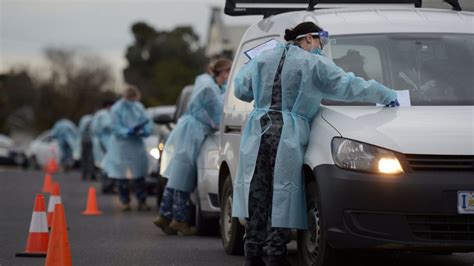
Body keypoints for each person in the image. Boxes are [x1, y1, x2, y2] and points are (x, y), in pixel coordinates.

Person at [231, 22, 399, 266]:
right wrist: (385, 94)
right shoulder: (313, 63)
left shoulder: (264, 57)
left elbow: (241, 90)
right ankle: (275, 255)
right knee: (283, 192)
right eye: (320, 42)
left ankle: (252, 253)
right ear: (309, 38)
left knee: (257, 191)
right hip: (286, 135)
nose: (320, 47)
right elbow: (348, 85)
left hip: (257, 132)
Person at [153, 58, 232, 235]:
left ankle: (165, 216)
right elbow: (219, 115)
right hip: (194, 132)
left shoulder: (208, 84)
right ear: (222, 73)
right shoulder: (209, 88)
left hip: (188, 129)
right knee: (184, 174)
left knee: (176, 172)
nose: (229, 76)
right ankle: (179, 220)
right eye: (228, 72)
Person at [103, 87, 153, 211]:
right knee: (122, 176)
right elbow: (115, 127)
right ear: (125, 97)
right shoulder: (116, 109)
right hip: (121, 146)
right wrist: (128, 131)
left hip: (136, 145)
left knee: (139, 175)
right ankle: (125, 201)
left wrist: (144, 131)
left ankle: (142, 201)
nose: (132, 101)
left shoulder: (139, 107)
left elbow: (147, 121)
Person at [91, 100, 115, 193]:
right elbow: (107, 125)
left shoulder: (98, 114)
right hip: (105, 142)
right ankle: (107, 187)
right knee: (108, 164)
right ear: (109, 106)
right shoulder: (104, 114)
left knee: (103, 164)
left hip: (100, 141)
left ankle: (107, 186)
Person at [78, 114, 95, 181]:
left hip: (84, 140)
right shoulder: (92, 119)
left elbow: (81, 130)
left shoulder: (84, 118)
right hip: (90, 140)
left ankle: (84, 175)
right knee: (90, 158)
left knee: (84, 158)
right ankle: (91, 174)